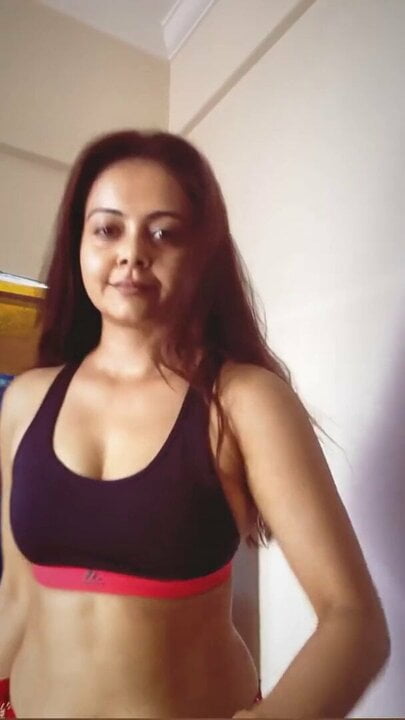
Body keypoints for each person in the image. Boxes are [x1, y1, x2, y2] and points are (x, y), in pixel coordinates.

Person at [0, 129, 390, 719]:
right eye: (107, 229)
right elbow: (15, 595)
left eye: (164, 233)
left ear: (203, 254)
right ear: (78, 243)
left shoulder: (243, 402)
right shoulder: (26, 400)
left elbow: (354, 620)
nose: (132, 252)